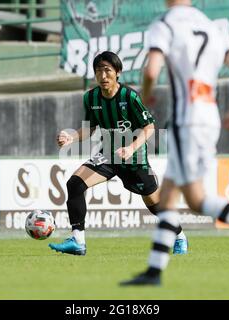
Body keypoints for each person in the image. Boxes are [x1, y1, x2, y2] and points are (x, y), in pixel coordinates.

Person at [121, 0, 229, 286]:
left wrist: (146, 94)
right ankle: (154, 271)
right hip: (209, 117)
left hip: (187, 120)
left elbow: (150, 71)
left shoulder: (166, 24)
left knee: (197, 200)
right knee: (169, 196)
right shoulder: (212, 26)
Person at [49, 51, 188, 256]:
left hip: (135, 160)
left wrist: (131, 148)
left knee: (154, 205)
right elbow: (91, 127)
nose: (103, 76)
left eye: (107, 71)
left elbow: (149, 126)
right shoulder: (91, 97)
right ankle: (78, 240)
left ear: (118, 73)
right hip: (108, 155)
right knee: (75, 184)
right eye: (98, 71)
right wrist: (72, 138)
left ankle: (179, 236)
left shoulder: (129, 97)